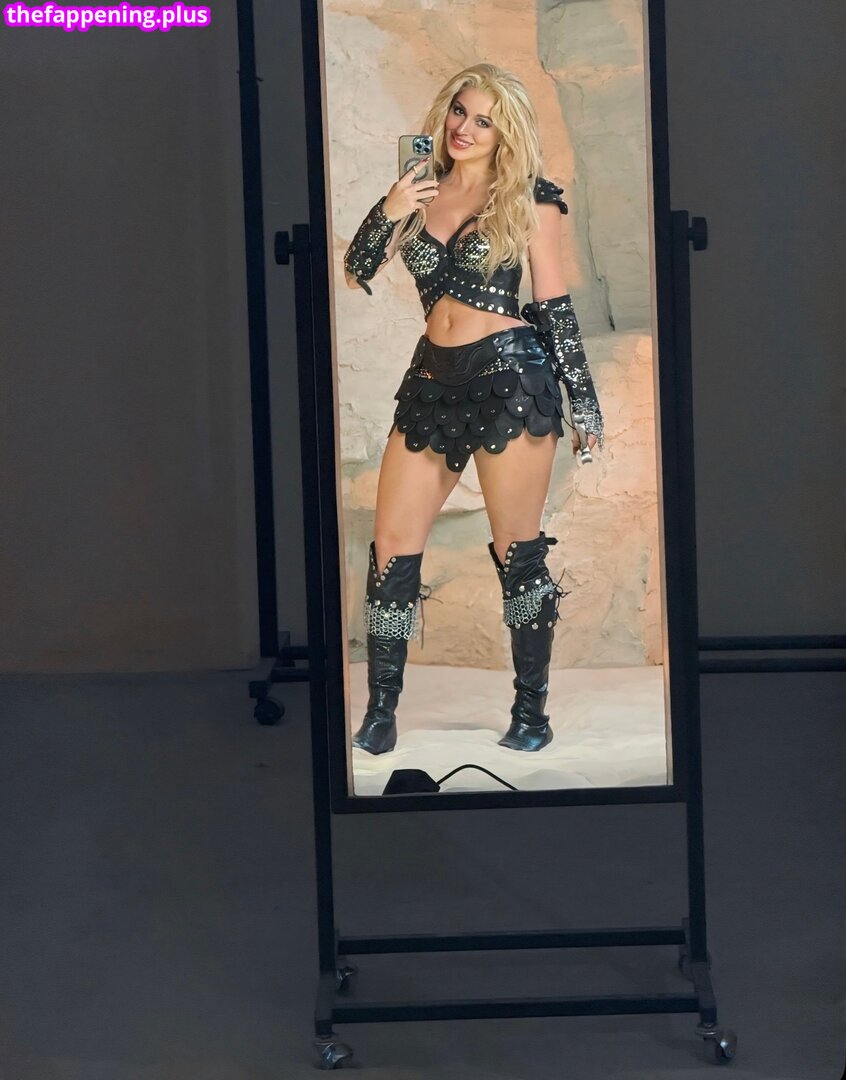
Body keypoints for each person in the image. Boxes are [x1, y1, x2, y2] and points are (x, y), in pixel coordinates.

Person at [343, 63, 604, 757]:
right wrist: (392, 206)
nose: (464, 128)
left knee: (518, 553)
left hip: (510, 382)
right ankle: (381, 711)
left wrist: (583, 401)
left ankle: (530, 711)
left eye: (484, 120)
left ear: (504, 132)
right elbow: (357, 268)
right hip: (430, 381)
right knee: (391, 551)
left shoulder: (530, 199)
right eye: (460, 111)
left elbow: (552, 304)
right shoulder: (419, 190)